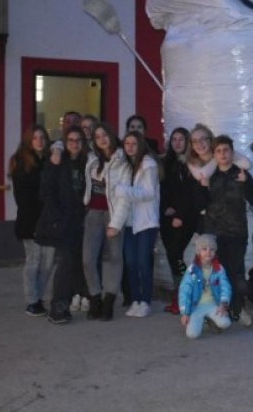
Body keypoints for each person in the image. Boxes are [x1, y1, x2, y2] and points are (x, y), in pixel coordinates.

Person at [203, 135, 253, 322]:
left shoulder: (241, 173)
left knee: (235, 271)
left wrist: (247, 183)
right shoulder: (210, 176)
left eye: (226, 150)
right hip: (214, 233)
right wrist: (202, 187)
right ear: (214, 154)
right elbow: (201, 203)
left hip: (237, 232)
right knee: (215, 272)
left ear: (232, 152)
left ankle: (238, 308)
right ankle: (217, 308)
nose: (223, 154)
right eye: (219, 151)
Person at [35, 125, 88, 324]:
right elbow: (46, 191)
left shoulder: (86, 162)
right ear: (65, 143)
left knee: (76, 262)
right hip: (63, 221)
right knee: (65, 262)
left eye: (78, 140)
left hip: (82, 221)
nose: (74, 144)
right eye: (71, 140)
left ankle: (74, 299)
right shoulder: (57, 162)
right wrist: (57, 216)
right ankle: (58, 305)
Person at [81, 123, 130, 321]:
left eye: (105, 135)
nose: (101, 139)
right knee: (88, 258)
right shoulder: (92, 160)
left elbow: (125, 196)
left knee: (116, 257)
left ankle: (109, 299)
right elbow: (63, 144)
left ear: (111, 136)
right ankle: (95, 297)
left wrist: (115, 223)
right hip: (93, 212)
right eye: (97, 136)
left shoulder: (122, 161)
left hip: (113, 214)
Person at [160, 127, 206, 314]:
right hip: (165, 217)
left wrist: (179, 214)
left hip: (185, 218)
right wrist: (165, 209)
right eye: (174, 139)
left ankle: (185, 294)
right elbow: (162, 190)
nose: (177, 142)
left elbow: (189, 193)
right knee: (174, 257)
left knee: (176, 255)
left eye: (181, 139)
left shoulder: (192, 164)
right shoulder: (165, 162)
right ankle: (181, 294)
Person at [9, 124, 53, 317]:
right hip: (31, 221)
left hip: (50, 220)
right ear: (28, 141)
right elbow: (23, 198)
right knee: (34, 261)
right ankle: (32, 301)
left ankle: (40, 297)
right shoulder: (21, 162)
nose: (39, 141)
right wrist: (35, 224)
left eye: (42, 137)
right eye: (35, 138)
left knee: (48, 261)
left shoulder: (50, 161)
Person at [118, 131, 160, 318]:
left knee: (143, 262)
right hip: (128, 222)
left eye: (133, 143)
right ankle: (135, 299)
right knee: (130, 263)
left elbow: (148, 192)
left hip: (146, 221)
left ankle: (145, 300)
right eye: (126, 143)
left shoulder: (148, 164)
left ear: (140, 144)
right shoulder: (125, 166)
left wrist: (123, 191)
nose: (130, 147)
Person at [178, 234, 232, 339]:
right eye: (204, 249)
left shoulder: (219, 269)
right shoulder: (192, 270)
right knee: (192, 335)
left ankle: (211, 320)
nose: (208, 252)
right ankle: (200, 320)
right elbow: (184, 291)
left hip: (213, 304)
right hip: (196, 306)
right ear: (198, 252)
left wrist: (223, 304)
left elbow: (225, 287)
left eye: (212, 249)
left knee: (225, 323)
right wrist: (185, 313)